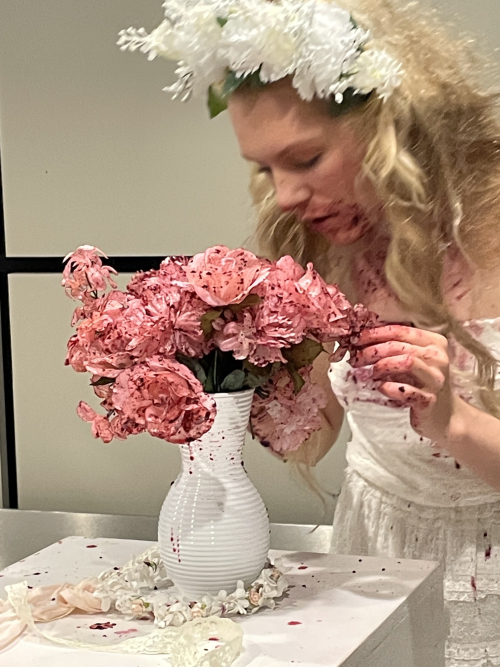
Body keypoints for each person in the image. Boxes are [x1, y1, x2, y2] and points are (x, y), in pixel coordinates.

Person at [120, 0, 500, 662]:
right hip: (374, 555)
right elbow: (318, 432)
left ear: (391, 123)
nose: (286, 194)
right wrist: (237, 392)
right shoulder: (320, 243)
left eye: (306, 157)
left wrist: (453, 421)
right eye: (266, 168)